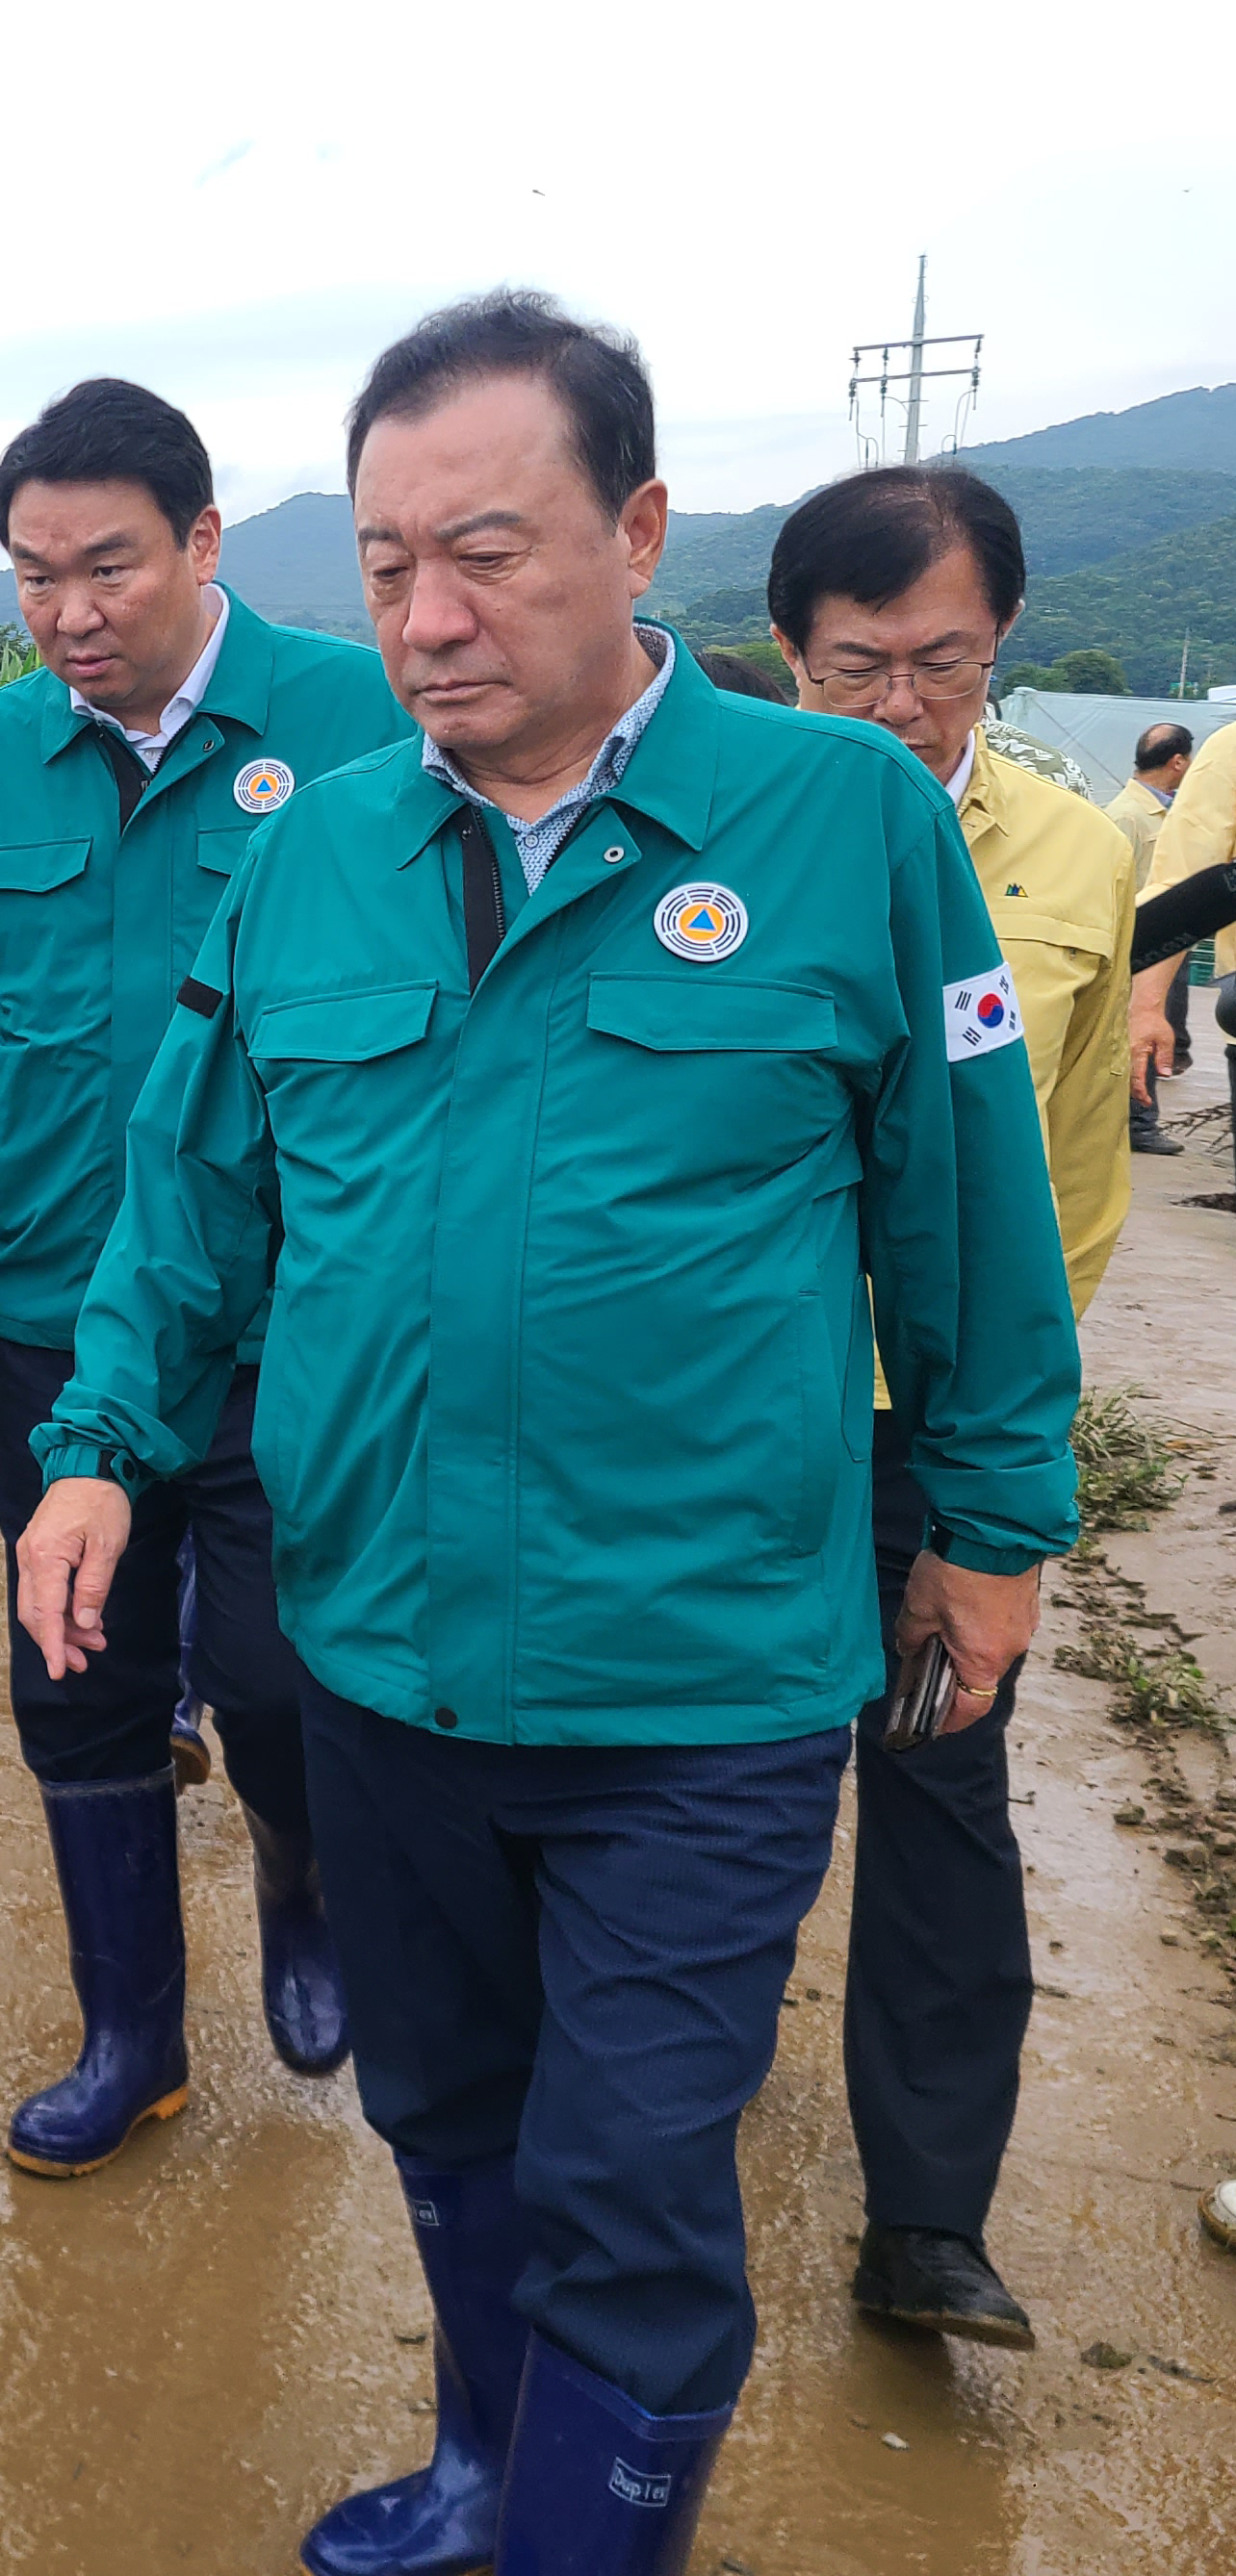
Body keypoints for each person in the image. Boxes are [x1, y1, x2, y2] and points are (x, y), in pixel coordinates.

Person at [12, 294, 1077, 2575]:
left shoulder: (839, 825)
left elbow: (966, 1220)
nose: (422, 615)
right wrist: (99, 1434)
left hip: (690, 1676)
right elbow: (187, 1201)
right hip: (382, 1651)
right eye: (385, 563)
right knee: (451, 2103)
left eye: (482, 551)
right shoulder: (309, 856)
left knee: (626, 2181)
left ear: (640, 528)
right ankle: (487, 2462)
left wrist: (988, 1528)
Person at [0, 376, 411, 2179]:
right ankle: (128, 2038)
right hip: (55, 1314)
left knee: (268, 1671)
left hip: (289, 1318)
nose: (67, 613)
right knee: (75, 1667)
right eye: (30, 576)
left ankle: (302, 1872)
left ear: (200, 544)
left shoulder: (355, 722)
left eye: (104, 567)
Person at [771, 466, 1134, 2350]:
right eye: (859, 668)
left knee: (934, 1784)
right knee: (705, 1779)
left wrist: (1003, 1477)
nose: (906, 706)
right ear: (788, 657)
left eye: (948, 663)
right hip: (742, 1429)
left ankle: (925, 2217)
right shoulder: (724, 845)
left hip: (931, 1435)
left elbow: (1067, 1181)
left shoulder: (1079, 862)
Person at [1120, 720, 1211, 1143]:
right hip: (1141, 946)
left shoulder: (1167, 811)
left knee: (1160, 1028)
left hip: (1168, 941)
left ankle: (1141, 1121)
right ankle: (1140, 1123)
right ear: (1178, 762)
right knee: (1144, 1029)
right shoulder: (1127, 816)